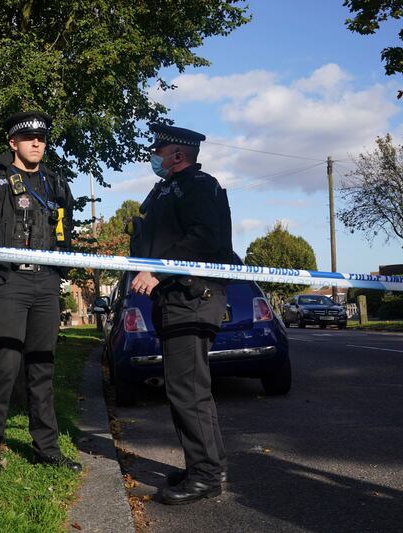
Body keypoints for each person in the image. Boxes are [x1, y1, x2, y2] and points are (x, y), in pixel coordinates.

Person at [129, 123, 233, 505]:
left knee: (187, 391)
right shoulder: (168, 189)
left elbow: (205, 237)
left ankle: (205, 475)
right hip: (176, 298)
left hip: (192, 297)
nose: (154, 153)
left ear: (178, 155)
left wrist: (156, 270)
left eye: (160, 148)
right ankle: (206, 465)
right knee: (188, 390)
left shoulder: (199, 186)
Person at [0, 111, 82, 476]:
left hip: (46, 284)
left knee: (42, 367)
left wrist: (62, 272)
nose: (37, 143)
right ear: (13, 143)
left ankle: (46, 448)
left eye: (42, 137)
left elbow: (66, 230)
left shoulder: (56, 184)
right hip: (9, 284)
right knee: (5, 366)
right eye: (29, 138)